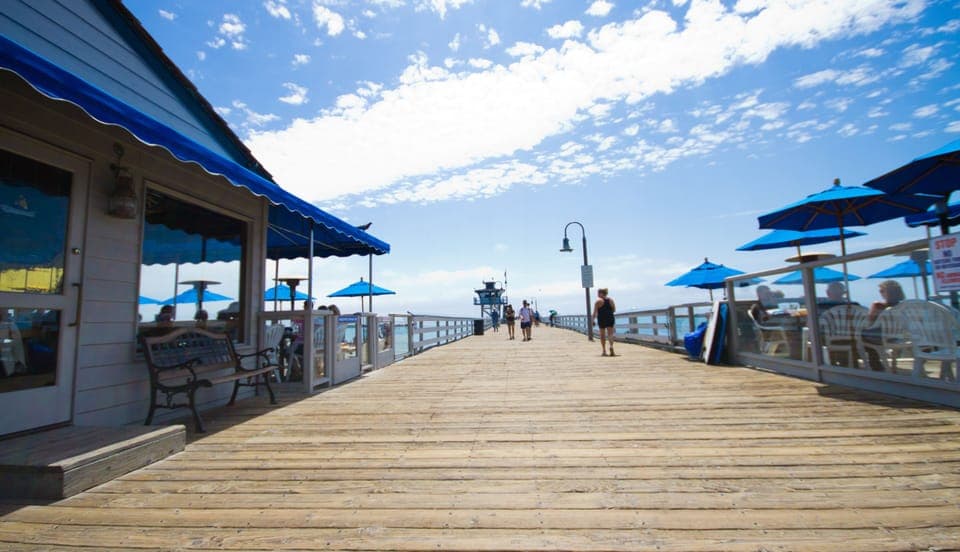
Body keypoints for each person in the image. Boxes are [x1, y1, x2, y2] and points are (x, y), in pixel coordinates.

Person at [862, 280, 906, 371]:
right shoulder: (905, 307)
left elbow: (869, 322)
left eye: (882, 290)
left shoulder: (878, 305)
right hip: (898, 337)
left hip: (880, 338)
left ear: (889, 292)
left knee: (859, 336)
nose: (880, 293)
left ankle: (874, 364)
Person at [592, 288, 617, 356]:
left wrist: (592, 320)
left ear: (601, 293)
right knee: (610, 334)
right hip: (610, 317)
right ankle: (611, 346)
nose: (597, 294)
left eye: (598, 293)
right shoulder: (610, 300)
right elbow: (614, 309)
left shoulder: (598, 302)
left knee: (602, 335)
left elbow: (594, 313)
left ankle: (604, 351)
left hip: (601, 318)